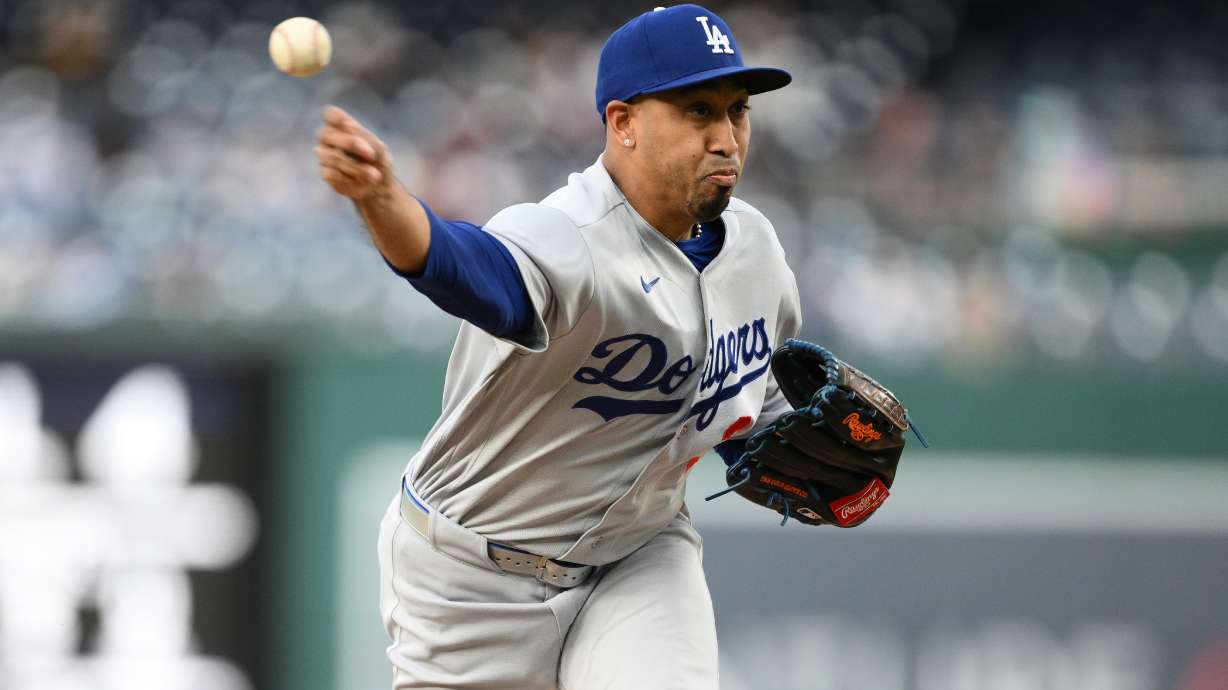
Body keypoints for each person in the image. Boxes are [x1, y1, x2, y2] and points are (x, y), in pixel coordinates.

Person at [316, 5, 797, 689]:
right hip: (472, 577)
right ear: (622, 123)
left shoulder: (757, 251)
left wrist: (793, 447)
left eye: (737, 111)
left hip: (639, 552)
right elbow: (466, 268)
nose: (726, 138)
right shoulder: (566, 236)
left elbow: (753, 414)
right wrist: (382, 199)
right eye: (697, 111)